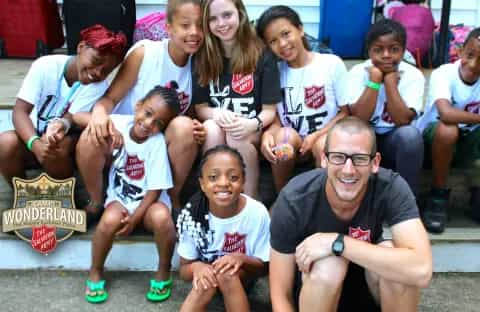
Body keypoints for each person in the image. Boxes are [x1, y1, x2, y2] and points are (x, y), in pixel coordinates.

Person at [269, 116, 432, 312]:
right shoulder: (295, 197)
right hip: (316, 294)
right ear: (324, 159)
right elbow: (280, 294)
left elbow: (421, 270)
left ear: (375, 162)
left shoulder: (391, 187)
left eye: (360, 159)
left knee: (396, 263)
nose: (348, 170)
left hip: (370, 291)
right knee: (329, 265)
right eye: (338, 157)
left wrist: (338, 243)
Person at [76, 0, 205, 219]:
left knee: (185, 127)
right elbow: (110, 98)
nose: (194, 32)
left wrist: (198, 124)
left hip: (157, 143)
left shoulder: (200, 64)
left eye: (200, 26)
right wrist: (99, 114)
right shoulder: (146, 53)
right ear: (169, 28)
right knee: (89, 136)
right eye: (185, 26)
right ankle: (96, 200)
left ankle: (171, 200)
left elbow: (193, 110)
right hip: (124, 137)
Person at [83, 85, 179, 304]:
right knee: (108, 221)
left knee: (162, 219)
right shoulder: (119, 123)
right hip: (120, 198)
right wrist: (108, 127)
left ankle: (164, 270)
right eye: (147, 114)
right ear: (137, 106)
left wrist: (135, 219)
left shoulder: (156, 145)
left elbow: (155, 190)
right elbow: (79, 117)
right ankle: (96, 270)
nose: (148, 124)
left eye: (158, 123)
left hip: (148, 203)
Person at [0, 24, 126, 185]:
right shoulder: (45, 66)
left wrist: (59, 128)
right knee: (6, 142)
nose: (97, 72)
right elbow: (19, 112)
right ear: (81, 47)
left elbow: (71, 118)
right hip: (35, 139)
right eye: (95, 61)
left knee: (57, 145)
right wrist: (34, 143)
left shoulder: (98, 86)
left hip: (67, 146)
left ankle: (63, 196)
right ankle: (23, 194)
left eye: (105, 71)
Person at [193, 0, 281, 198]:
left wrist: (252, 123)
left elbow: (270, 110)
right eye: (213, 19)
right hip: (220, 126)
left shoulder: (261, 54)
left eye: (227, 15)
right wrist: (215, 113)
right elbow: (201, 107)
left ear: (240, 13)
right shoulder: (203, 57)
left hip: (252, 128)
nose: (221, 24)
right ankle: (213, 197)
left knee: (236, 137)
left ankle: (250, 198)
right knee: (212, 129)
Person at [256, 5, 349, 193]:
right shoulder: (274, 71)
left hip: (321, 139)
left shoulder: (330, 64)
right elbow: (274, 116)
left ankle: (324, 200)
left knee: (324, 145)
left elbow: (345, 113)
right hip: (291, 144)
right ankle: (283, 197)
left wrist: (317, 135)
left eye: (286, 34)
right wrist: (267, 134)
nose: (282, 44)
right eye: (273, 41)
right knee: (283, 138)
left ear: (300, 29)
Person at [177, 145, 270, 312]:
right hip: (206, 276)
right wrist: (197, 267)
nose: (223, 183)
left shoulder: (257, 213)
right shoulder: (191, 215)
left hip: (242, 276)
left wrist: (241, 258)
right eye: (213, 177)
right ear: (202, 183)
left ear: (243, 181)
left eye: (233, 177)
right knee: (207, 279)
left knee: (225, 273)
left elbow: (264, 268)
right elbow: (183, 270)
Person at [343, 19, 425, 197]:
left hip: (395, 141)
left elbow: (403, 120)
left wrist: (389, 83)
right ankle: (355, 199)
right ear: (369, 51)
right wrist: (374, 82)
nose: (386, 55)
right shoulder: (358, 72)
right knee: (350, 132)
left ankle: (407, 201)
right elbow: (359, 118)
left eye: (394, 49)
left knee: (410, 136)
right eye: (378, 50)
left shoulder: (413, 76)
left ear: (403, 51)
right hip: (365, 138)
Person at [417, 27, 480, 233]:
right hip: (432, 143)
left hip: (467, 143)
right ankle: (438, 197)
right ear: (460, 51)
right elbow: (446, 113)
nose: (474, 64)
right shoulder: (444, 73)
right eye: (470, 55)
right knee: (448, 130)